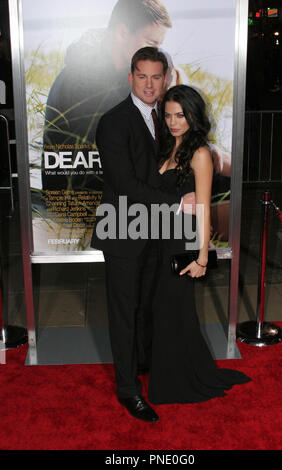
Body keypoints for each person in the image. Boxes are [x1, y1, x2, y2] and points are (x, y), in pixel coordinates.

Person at [91, 47, 196, 423]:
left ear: (165, 77)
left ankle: (145, 365)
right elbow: (125, 184)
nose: (150, 84)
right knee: (124, 312)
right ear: (130, 77)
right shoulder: (114, 122)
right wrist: (175, 202)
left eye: (156, 76)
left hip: (157, 232)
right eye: (142, 76)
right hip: (122, 231)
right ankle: (128, 389)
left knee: (148, 307)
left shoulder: (168, 118)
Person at [147, 85, 251, 405]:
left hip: (183, 243)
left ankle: (179, 381)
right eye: (168, 115)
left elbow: (204, 207)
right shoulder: (166, 147)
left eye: (180, 115)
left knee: (172, 309)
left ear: (194, 115)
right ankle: (185, 370)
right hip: (160, 240)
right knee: (170, 311)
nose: (173, 121)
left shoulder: (200, 153)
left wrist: (202, 256)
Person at [42, 0, 172, 191]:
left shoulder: (123, 73)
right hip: (81, 203)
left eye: (158, 47)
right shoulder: (85, 80)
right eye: (150, 43)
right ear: (122, 33)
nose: (155, 54)